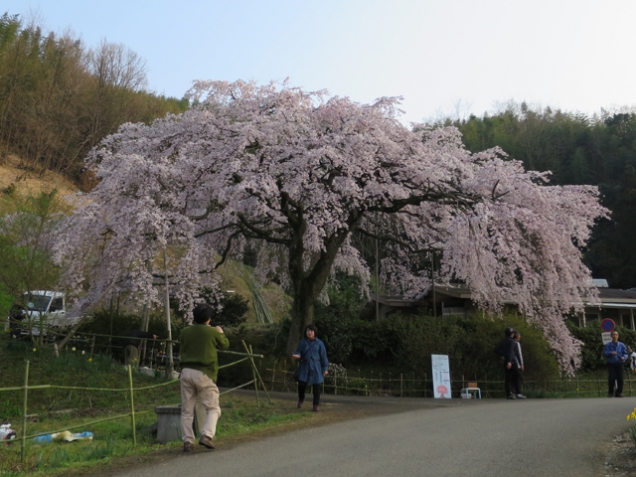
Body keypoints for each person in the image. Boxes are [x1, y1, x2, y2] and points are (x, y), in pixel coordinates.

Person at [179, 303, 230, 452]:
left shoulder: (185, 331)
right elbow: (225, 345)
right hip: (204, 372)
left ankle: (188, 441)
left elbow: (183, 344)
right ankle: (206, 435)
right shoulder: (212, 332)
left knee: (186, 410)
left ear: (194, 318)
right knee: (213, 408)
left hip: (186, 371)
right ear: (209, 318)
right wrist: (220, 333)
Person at [292, 324, 329, 412]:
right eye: (308, 331)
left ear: (315, 332)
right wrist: (298, 355)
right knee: (301, 385)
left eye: (311, 331)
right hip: (305, 366)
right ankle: (301, 398)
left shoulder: (320, 343)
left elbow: (324, 357)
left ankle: (315, 405)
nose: (309, 333)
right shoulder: (303, 342)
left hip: (316, 367)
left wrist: (325, 368)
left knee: (317, 386)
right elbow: (299, 351)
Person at [604, 330, 629, 397]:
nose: (615, 336)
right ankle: (610, 392)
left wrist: (624, 357)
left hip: (620, 363)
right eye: (613, 335)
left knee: (620, 378)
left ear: (618, 336)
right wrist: (610, 353)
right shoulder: (608, 345)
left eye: (616, 334)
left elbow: (626, 354)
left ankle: (619, 392)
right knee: (611, 378)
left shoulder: (622, 345)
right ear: (611, 336)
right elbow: (605, 353)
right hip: (611, 364)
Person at [495, 327, 517, 400]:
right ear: (512, 334)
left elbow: (496, 350)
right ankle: (512, 392)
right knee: (513, 378)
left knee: (507, 378)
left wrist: (503, 354)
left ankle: (508, 393)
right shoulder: (512, 341)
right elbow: (510, 351)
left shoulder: (504, 341)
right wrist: (510, 361)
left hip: (506, 360)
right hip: (511, 361)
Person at [512, 330, 526, 399]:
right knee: (518, 378)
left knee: (512, 378)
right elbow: (519, 354)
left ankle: (513, 392)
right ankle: (518, 393)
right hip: (516, 363)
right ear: (517, 337)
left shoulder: (511, 343)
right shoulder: (517, 344)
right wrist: (521, 364)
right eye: (519, 336)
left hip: (511, 363)